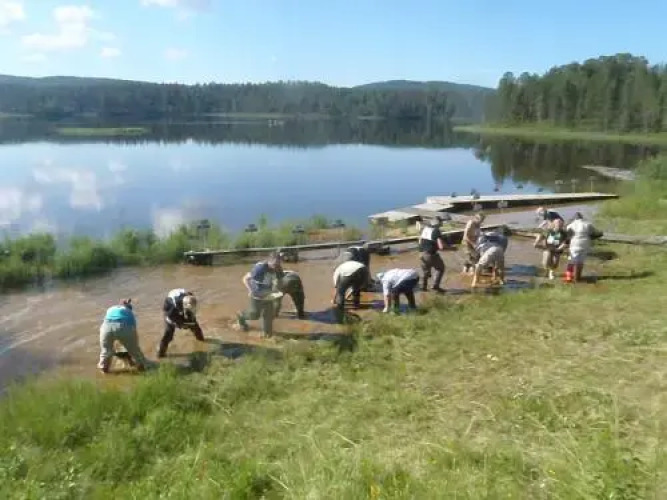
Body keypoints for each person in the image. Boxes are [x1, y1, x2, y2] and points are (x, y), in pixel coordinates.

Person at [236, 252, 282, 337]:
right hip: (256, 295)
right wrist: (250, 290)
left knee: (269, 317)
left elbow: (277, 280)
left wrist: (276, 289)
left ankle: (267, 336)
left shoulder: (278, 268)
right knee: (254, 315)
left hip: (268, 295)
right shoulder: (259, 268)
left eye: (278, 264)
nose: (276, 267)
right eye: (274, 264)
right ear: (269, 261)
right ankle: (241, 315)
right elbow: (245, 278)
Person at [98, 298, 148, 373]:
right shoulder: (129, 312)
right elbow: (133, 330)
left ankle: (104, 371)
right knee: (135, 350)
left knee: (106, 351)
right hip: (123, 326)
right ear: (129, 308)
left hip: (106, 327)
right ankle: (142, 369)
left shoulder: (111, 308)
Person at [157, 289, 204, 358]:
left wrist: (190, 321)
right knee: (168, 335)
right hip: (170, 313)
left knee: (195, 327)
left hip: (183, 304)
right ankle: (161, 355)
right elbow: (169, 316)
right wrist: (180, 324)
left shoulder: (190, 298)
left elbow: (191, 310)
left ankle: (201, 342)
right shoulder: (171, 305)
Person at [565, 212, 603, 283]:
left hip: (574, 244)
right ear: (582, 217)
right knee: (581, 261)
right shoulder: (588, 224)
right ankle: (578, 277)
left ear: (575, 218)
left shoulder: (571, 225)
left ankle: (573, 278)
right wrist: (594, 236)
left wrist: (566, 245)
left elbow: (568, 237)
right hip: (585, 243)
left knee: (573, 260)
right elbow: (596, 233)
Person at [418, 216, 448, 292]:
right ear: (438, 223)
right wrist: (451, 248)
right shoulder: (436, 230)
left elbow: (420, 240)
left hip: (421, 254)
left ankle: (423, 287)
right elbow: (441, 247)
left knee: (426, 272)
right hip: (431, 254)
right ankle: (435, 286)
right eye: (441, 222)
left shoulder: (425, 228)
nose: (442, 224)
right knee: (440, 268)